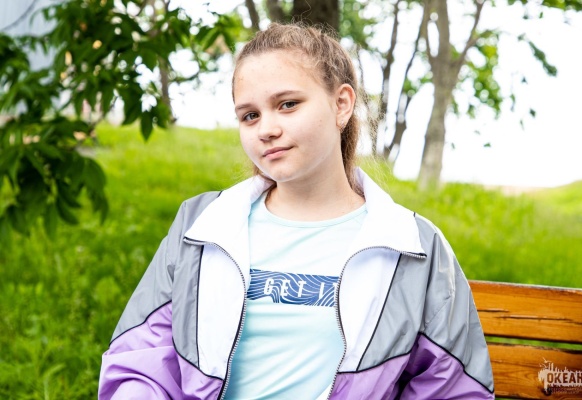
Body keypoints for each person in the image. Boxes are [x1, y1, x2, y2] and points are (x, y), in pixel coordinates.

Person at [98, 23, 494, 399]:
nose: (266, 129)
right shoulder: (201, 226)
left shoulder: (414, 247)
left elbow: (451, 387)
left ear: (341, 104)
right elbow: (140, 362)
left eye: (287, 105)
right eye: (250, 115)